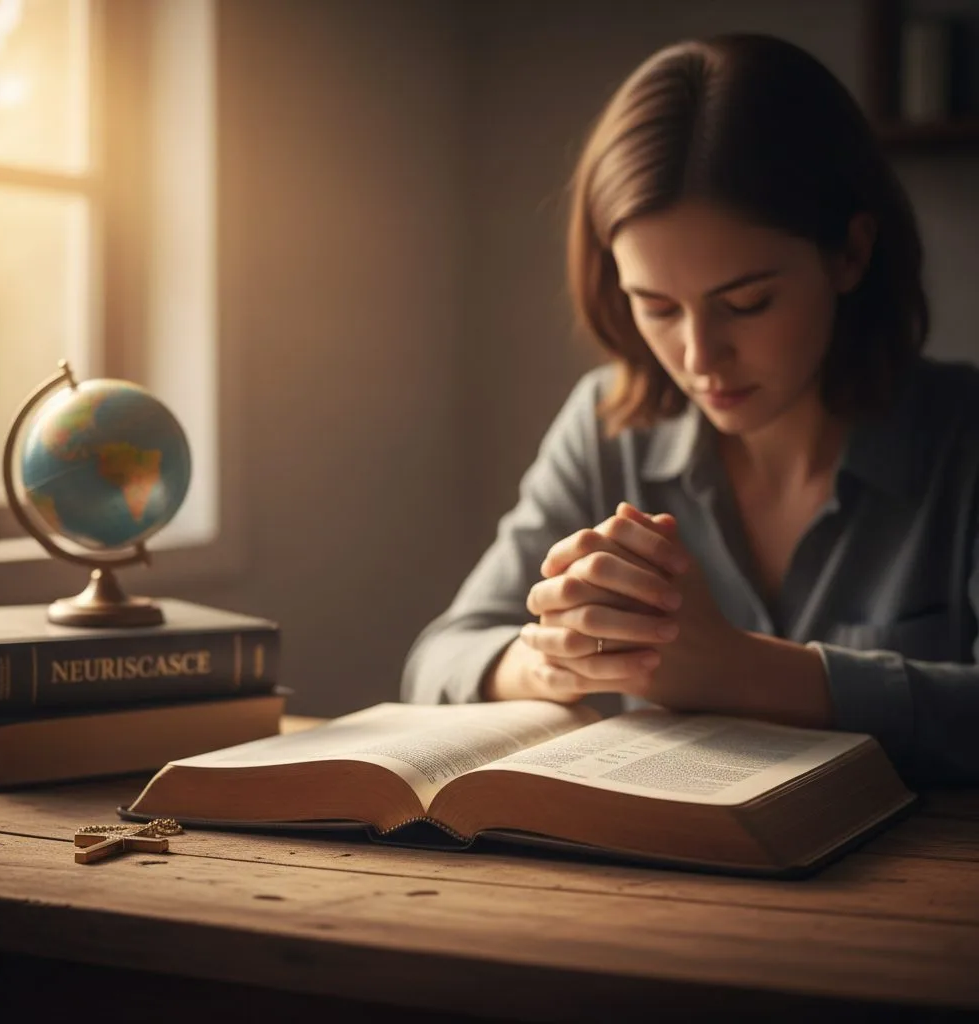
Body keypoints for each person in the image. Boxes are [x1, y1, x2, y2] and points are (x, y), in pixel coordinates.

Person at [400, 33, 979, 784]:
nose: (700, 357)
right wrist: (556, 660)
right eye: (657, 307)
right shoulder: (611, 428)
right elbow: (439, 656)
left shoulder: (962, 440)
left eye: (747, 303)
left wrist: (745, 672)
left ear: (851, 254)